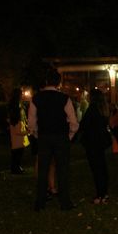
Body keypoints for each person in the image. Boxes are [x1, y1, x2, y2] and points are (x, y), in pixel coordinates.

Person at [28, 69, 79, 211]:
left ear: (45, 81)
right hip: (61, 137)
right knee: (62, 170)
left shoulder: (36, 98)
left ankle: (40, 202)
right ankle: (65, 202)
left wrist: (38, 134)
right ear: (58, 82)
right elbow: (73, 122)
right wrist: (69, 136)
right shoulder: (64, 98)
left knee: (43, 170)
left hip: (44, 137)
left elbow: (31, 123)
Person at [79, 89, 112, 204]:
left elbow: (83, 125)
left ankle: (100, 195)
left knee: (96, 168)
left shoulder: (92, 109)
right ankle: (104, 193)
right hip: (101, 141)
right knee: (102, 167)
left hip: (93, 142)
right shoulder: (103, 109)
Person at [7, 88, 29, 174]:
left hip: (19, 125)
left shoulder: (18, 104)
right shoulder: (16, 105)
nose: (22, 95)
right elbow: (16, 115)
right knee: (17, 149)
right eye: (21, 94)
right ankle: (15, 167)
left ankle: (17, 166)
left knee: (19, 149)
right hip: (17, 125)